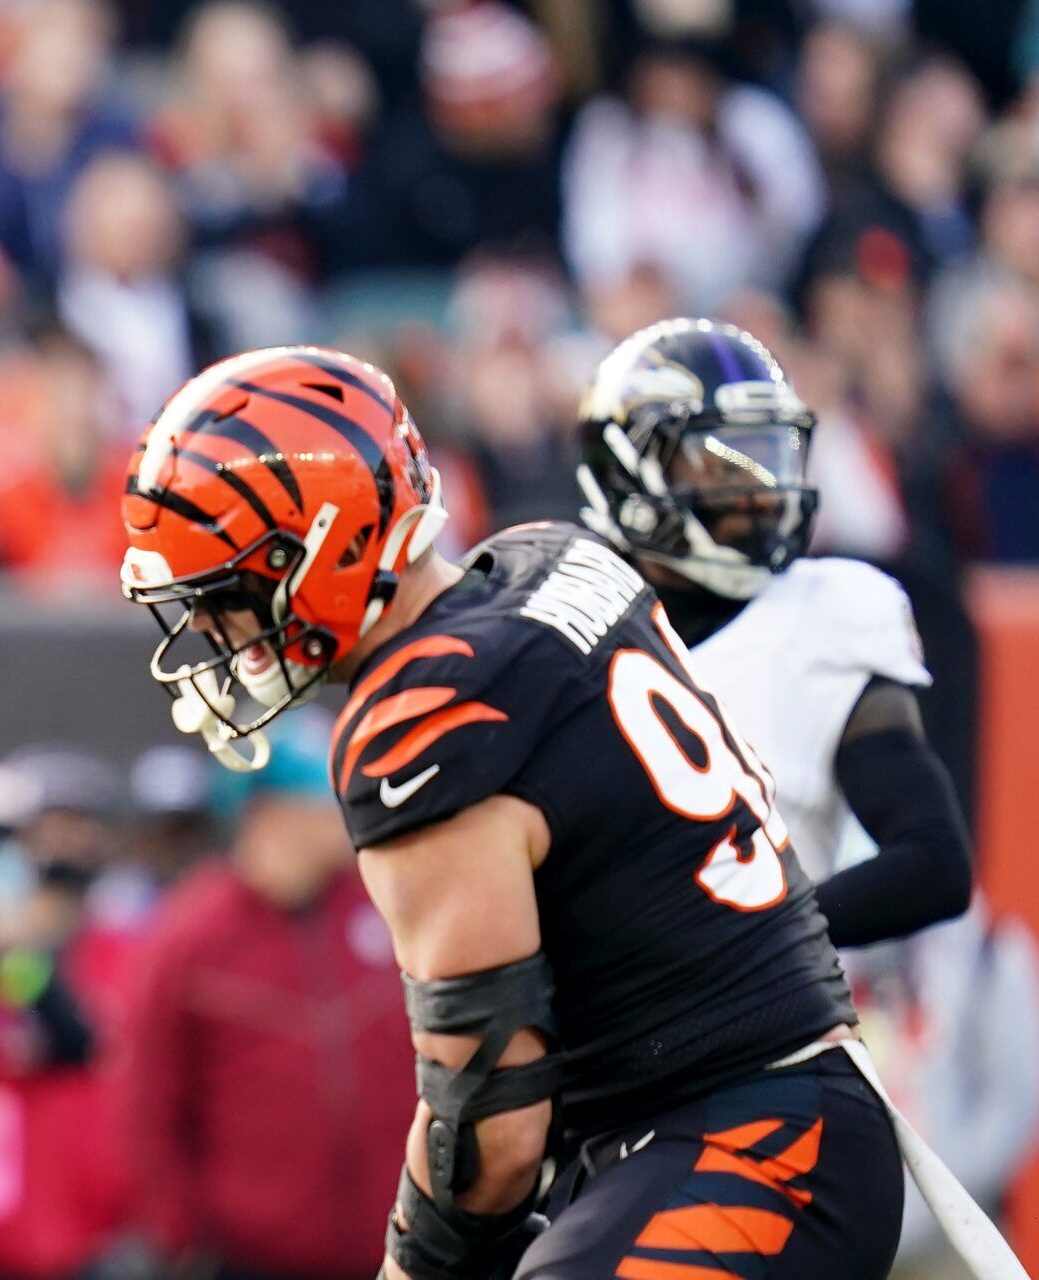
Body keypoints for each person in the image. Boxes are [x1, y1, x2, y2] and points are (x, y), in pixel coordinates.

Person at [120, 345, 901, 1278]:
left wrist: (416, 1263)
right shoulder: (545, 557)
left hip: (745, 1142)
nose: (216, 630)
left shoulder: (424, 716)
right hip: (764, 1120)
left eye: (229, 594)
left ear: (317, 548)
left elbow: (492, 1107)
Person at [577, 319, 1039, 1270]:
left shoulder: (826, 612)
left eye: (771, 456)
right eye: (724, 465)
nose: (761, 491)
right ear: (632, 474)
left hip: (761, 1082)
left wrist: (732, 951)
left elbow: (933, 862)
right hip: (592, 1087)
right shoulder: (558, 636)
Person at [119, 707, 416, 1280]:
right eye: (330, 801)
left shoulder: (383, 905)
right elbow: (146, 1104)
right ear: (271, 813)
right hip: (250, 1259)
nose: (349, 816)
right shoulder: (189, 937)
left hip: (399, 1250)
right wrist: (179, 1238)